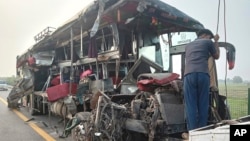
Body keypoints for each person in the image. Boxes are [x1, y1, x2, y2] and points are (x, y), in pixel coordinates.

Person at [183, 29, 220, 131]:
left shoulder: (188, 45)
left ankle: (192, 132)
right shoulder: (208, 42)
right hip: (203, 74)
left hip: (189, 75)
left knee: (191, 105)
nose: (210, 39)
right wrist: (216, 41)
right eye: (209, 37)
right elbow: (216, 56)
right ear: (204, 35)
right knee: (203, 104)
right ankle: (202, 131)